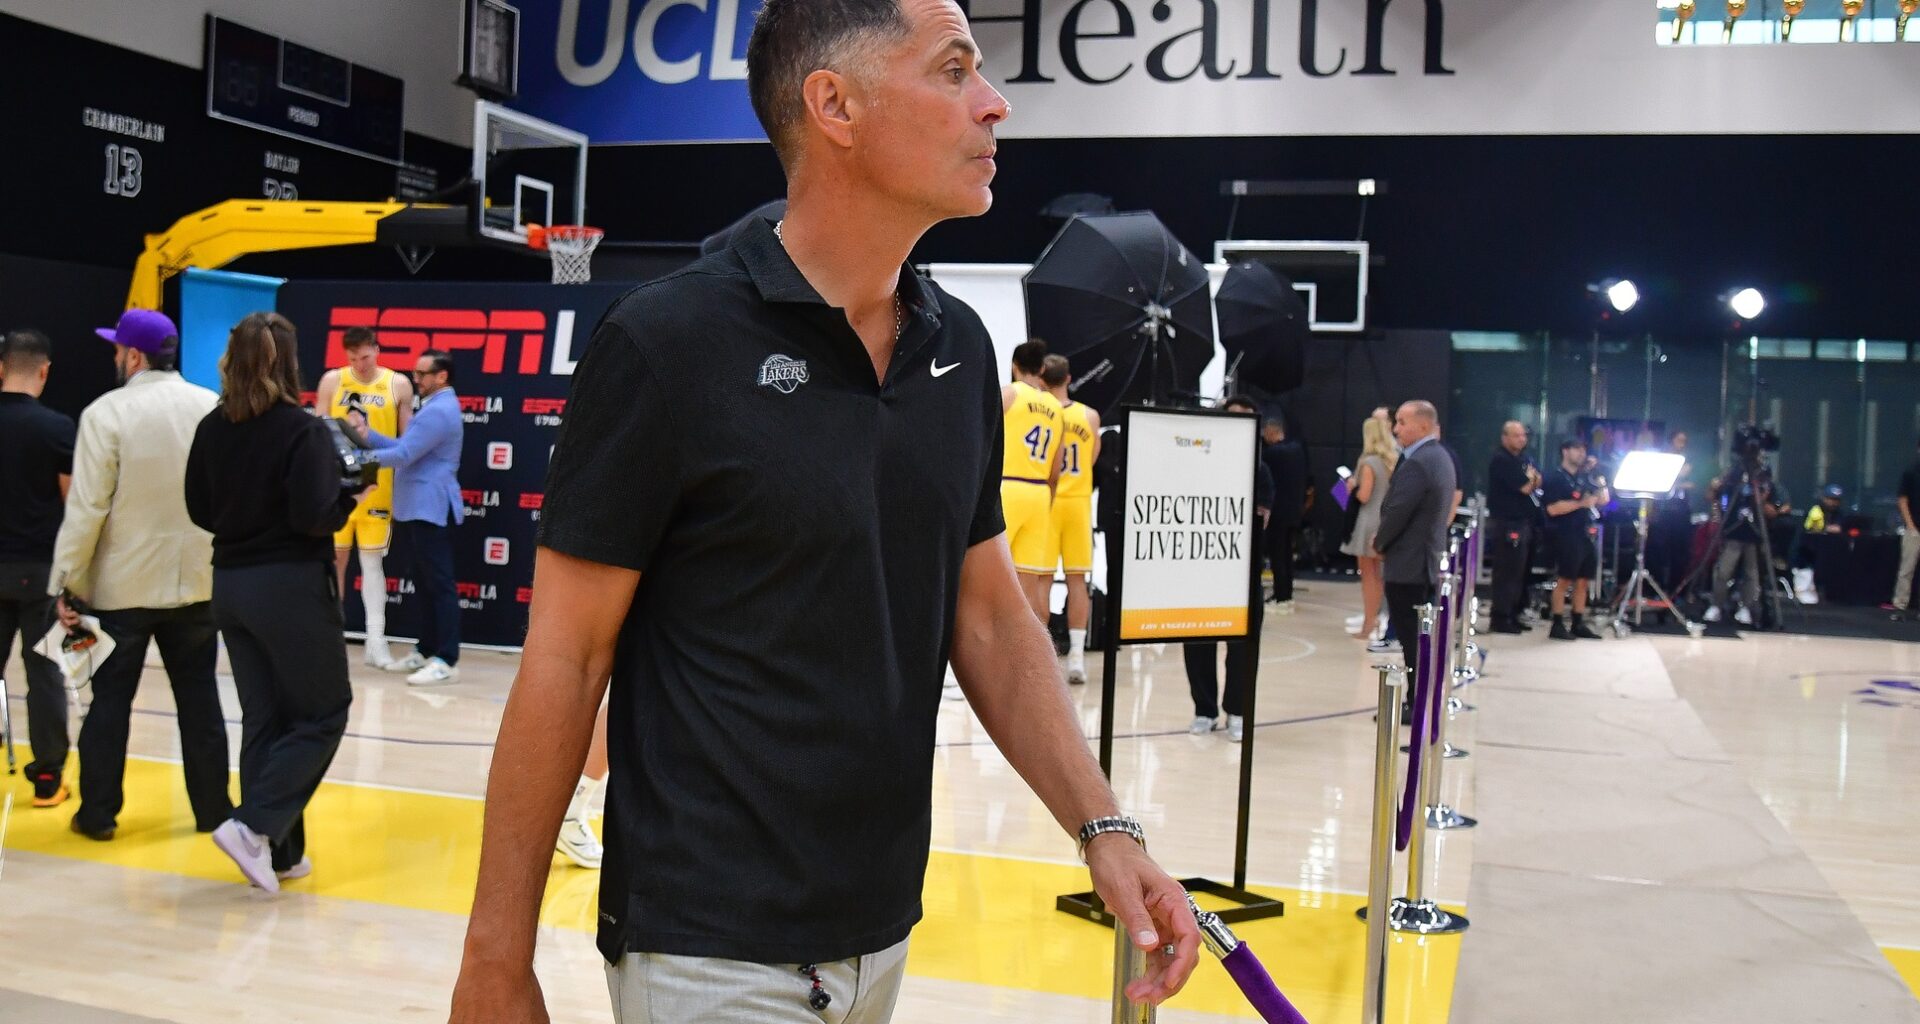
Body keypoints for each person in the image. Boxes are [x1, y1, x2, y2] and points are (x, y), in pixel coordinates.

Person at [448, 4, 1199, 1023]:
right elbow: (566, 659)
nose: (994, 102)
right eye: (954, 70)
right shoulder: (667, 345)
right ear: (835, 104)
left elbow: (986, 617)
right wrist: (497, 957)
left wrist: (1104, 824)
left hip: (881, 929)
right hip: (708, 941)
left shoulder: (962, 351)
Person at [185, 312, 358, 890]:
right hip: (288, 586)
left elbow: (198, 509)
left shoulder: (213, 427)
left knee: (266, 716)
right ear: (289, 361)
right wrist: (347, 498)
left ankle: (279, 852)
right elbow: (314, 517)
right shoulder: (300, 430)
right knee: (325, 711)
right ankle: (254, 826)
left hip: (230, 585)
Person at [49, 309, 231, 842]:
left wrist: (68, 581)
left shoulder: (106, 413)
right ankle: (214, 811)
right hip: (199, 582)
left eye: (116, 349)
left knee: (108, 704)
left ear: (133, 355)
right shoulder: (211, 406)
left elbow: (87, 509)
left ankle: (99, 814)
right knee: (200, 702)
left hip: (120, 587)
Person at [344, 349, 465, 685]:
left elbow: (404, 454)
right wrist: (367, 436)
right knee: (426, 583)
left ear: (442, 376)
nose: (416, 379)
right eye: (415, 373)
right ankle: (426, 650)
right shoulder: (434, 407)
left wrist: (357, 461)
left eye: (422, 374)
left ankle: (446, 658)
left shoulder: (439, 410)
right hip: (415, 506)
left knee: (438, 584)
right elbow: (406, 446)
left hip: (429, 507)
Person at [0, 328, 78, 807]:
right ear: (44, 371)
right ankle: (48, 778)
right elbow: (73, 507)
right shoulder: (57, 427)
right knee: (44, 672)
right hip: (39, 570)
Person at [316, 325, 413, 668]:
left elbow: (408, 442)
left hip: (377, 484)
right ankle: (329, 638)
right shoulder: (333, 380)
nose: (360, 364)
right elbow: (319, 431)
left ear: (377, 349)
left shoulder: (397, 383)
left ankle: (376, 640)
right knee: (333, 562)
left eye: (366, 356)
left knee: (373, 564)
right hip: (338, 484)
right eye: (353, 358)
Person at [1184, 396, 1271, 741]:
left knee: (1243, 647)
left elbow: (1263, 516)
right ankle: (1203, 709)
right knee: (1197, 643)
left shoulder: (1259, 468)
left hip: (1243, 571)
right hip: (1202, 569)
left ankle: (1237, 710)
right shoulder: (1199, 464)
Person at [1373, 401, 1457, 712]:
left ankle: (1417, 702)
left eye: (1402, 422)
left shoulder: (1421, 461)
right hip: (1422, 560)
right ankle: (1421, 698)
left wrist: (1380, 541)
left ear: (1423, 426)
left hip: (1410, 564)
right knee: (1416, 638)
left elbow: (1398, 511)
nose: (1396, 428)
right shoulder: (1439, 457)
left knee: (1413, 639)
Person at [1041, 354, 1098, 684]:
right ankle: (1077, 654)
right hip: (1078, 501)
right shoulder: (1089, 416)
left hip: (1048, 501)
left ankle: (1044, 654)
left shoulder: (1042, 413)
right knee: (1078, 580)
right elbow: (1092, 458)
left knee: (1042, 580)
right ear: (1069, 378)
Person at [1001, 339, 1065, 622]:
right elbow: (1056, 470)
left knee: (985, 579)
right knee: (1029, 588)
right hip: (1040, 494)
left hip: (1007, 487)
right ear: (1041, 369)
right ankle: (1030, 660)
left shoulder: (1008, 394)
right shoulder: (1055, 407)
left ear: (1014, 366)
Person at [1542, 439, 1609, 640]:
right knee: (1564, 579)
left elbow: (1604, 500)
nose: (1581, 453)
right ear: (1565, 451)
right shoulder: (1555, 478)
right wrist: (1580, 504)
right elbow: (1552, 509)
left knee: (1583, 580)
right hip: (1565, 533)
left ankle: (1578, 621)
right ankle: (1557, 622)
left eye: (1583, 450)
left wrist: (1600, 478)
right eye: (1577, 449)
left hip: (1585, 533)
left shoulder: (1584, 477)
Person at [1706, 442, 1778, 627]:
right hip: (1733, 530)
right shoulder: (1733, 474)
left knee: (1751, 573)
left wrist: (1761, 496)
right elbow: (1716, 493)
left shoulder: (1762, 475)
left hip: (1753, 531)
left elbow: (1769, 504)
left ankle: (1746, 607)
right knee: (1724, 570)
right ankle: (1716, 604)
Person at [1342, 415, 1397, 642]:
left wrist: (1351, 488)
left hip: (1367, 520)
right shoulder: (1392, 461)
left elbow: (1364, 495)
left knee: (1368, 577)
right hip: (1384, 518)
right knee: (1380, 576)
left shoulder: (1369, 463)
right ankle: (1376, 619)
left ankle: (1368, 623)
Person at [1485, 420, 1542, 634]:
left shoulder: (1524, 458)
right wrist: (1532, 480)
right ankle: (1500, 616)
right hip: (1507, 522)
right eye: (1516, 435)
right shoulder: (1501, 460)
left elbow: (1537, 479)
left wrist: (1533, 480)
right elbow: (1525, 486)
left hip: (1525, 520)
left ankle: (1514, 612)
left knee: (1521, 571)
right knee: (1507, 571)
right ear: (1505, 437)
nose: (1521, 439)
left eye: (1523, 436)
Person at [1261, 417, 1308, 613]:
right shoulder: (1297, 450)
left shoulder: (1271, 454)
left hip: (1277, 512)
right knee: (1287, 554)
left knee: (1278, 554)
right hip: (1294, 510)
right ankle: (1285, 593)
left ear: (1270, 432)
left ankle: (1281, 596)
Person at [1888, 439, 1920, 618]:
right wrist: (1910, 524)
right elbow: (1902, 499)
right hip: (1914, 526)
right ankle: (1900, 606)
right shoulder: (1911, 472)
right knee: (1906, 569)